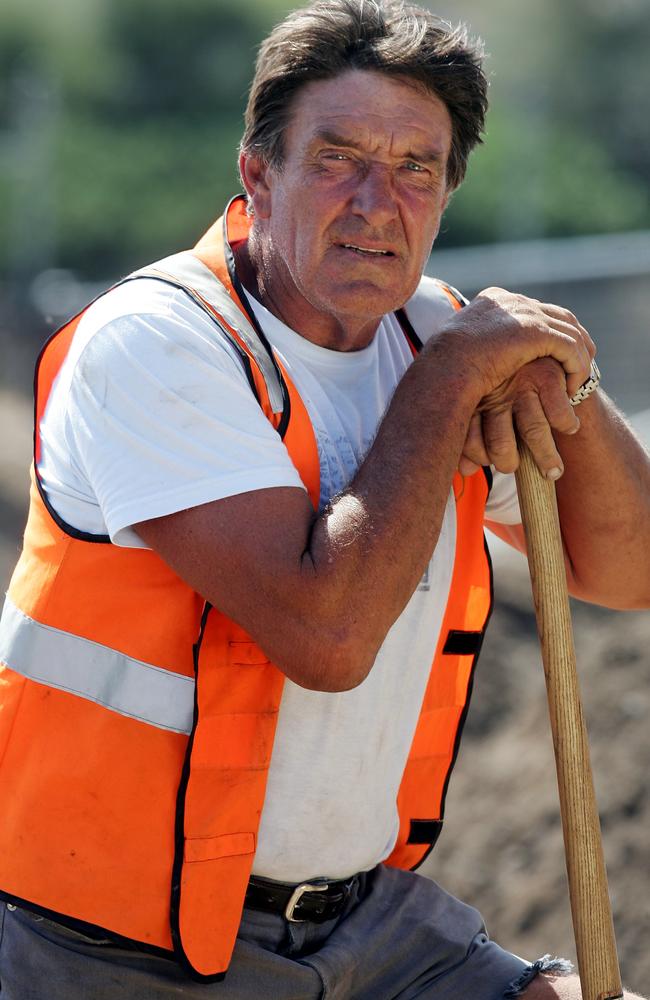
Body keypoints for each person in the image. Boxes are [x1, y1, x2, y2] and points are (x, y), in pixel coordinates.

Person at [0, 1, 648, 998]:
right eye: (336, 157)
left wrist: (560, 379)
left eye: (413, 168)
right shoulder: (158, 344)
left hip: (362, 916)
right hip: (121, 939)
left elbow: (627, 568)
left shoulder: (432, 334)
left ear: (444, 195)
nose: (374, 203)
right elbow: (327, 637)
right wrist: (449, 378)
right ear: (257, 176)